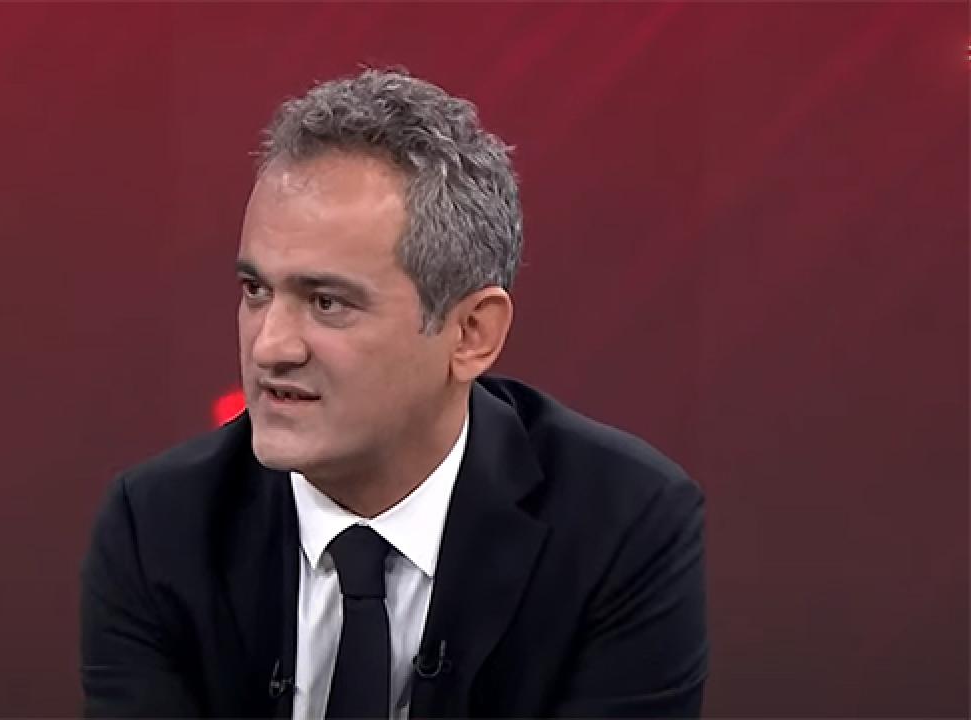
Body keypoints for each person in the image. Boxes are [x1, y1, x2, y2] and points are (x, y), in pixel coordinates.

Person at [80, 68, 707, 718]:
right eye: (256, 291)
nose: (269, 347)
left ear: (471, 333)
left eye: (327, 302)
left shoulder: (619, 527)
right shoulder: (160, 530)